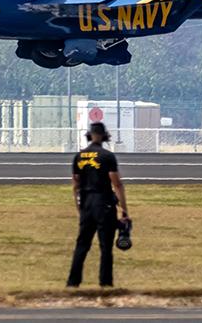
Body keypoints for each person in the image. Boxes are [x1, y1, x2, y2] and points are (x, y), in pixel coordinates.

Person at [66, 121, 130, 288]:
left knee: (82, 245)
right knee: (106, 247)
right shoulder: (107, 156)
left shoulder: (79, 156)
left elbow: (75, 185)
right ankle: (105, 283)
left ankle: (73, 282)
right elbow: (117, 184)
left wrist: (79, 208)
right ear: (104, 135)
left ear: (89, 135)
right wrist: (124, 210)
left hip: (87, 203)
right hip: (104, 203)